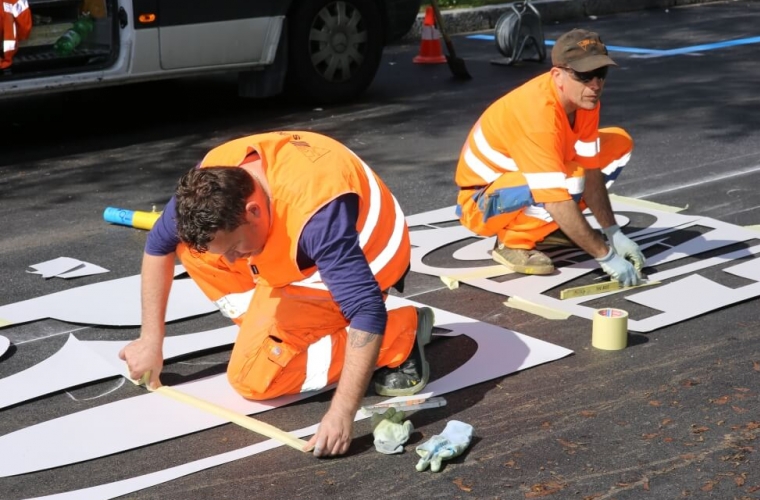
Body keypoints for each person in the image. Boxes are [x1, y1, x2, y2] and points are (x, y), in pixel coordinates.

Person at [119, 131, 434, 458]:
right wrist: (150, 341)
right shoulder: (210, 182)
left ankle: (400, 336)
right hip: (293, 252)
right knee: (195, 249)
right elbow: (158, 245)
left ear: (253, 210)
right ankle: (271, 329)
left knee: (253, 379)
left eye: (234, 247)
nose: (227, 260)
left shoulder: (318, 219)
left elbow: (367, 312)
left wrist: (342, 413)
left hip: (367, 262)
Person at [454, 28, 645, 285]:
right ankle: (513, 242)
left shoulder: (585, 102)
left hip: (519, 183)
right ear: (558, 75)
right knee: (570, 178)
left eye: (601, 74)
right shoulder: (537, 115)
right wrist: (606, 256)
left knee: (619, 142)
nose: (595, 85)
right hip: (479, 203)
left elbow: (591, 170)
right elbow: (555, 197)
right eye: (584, 75)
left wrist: (613, 232)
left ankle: (552, 228)